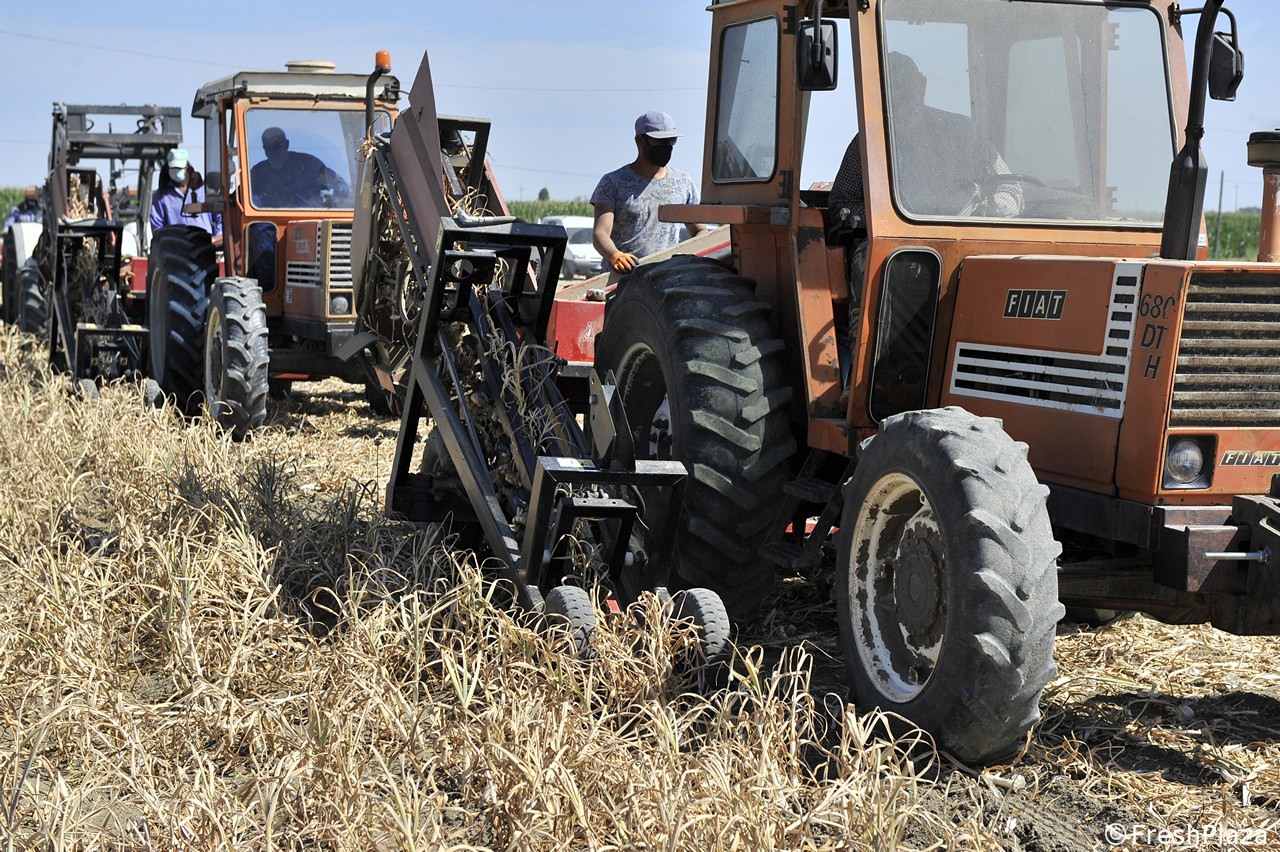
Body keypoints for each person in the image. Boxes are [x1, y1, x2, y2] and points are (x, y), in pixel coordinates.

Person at [829, 51, 1022, 223]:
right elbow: (841, 205)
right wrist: (886, 219)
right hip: (896, 245)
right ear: (879, 94)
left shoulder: (965, 132)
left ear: (922, 84)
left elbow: (1010, 187)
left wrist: (994, 209)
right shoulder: (868, 143)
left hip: (968, 237)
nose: (900, 100)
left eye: (906, 90)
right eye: (892, 91)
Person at [591, 111, 708, 273]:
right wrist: (615, 255)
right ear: (640, 140)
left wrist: (689, 254)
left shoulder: (683, 182)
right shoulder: (612, 182)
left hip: (665, 276)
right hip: (622, 278)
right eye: (661, 141)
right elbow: (600, 233)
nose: (667, 146)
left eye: (672, 141)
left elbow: (700, 230)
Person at [250, 126, 349, 208]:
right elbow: (243, 197)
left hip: (311, 218)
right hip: (273, 222)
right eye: (268, 148)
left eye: (276, 146)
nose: (273, 152)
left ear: (286, 144)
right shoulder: (257, 173)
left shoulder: (309, 164)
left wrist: (338, 191)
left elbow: (338, 183)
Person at [150, 148, 222, 238]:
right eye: (173, 168)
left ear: (188, 168)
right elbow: (157, 227)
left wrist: (218, 237)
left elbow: (220, 216)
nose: (176, 171)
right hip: (177, 245)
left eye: (180, 168)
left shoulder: (204, 190)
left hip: (206, 243)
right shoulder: (161, 196)